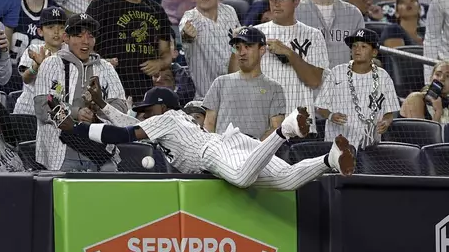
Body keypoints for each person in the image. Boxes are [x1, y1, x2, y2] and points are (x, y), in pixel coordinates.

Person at [49, 76, 355, 190]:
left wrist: (76, 127)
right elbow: (124, 122)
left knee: (241, 179)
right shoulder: (165, 122)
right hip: (234, 144)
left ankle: (285, 130)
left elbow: (122, 135)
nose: (142, 113)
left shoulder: (167, 118)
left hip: (212, 152)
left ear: (163, 106)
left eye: (147, 109)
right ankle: (328, 159)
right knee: (288, 180)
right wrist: (101, 104)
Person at [33, 13, 127, 171]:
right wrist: (76, 113)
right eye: (78, 35)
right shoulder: (51, 64)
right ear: (66, 38)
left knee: (111, 180)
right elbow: (42, 106)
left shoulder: (106, 67)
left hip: (99, 151)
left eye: (90, 36)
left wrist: (99, 107)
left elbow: (122, 106)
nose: (85, 41)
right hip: (61, 152)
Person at [252, 0, 329, 135]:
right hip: (263, 124)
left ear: (296, 1)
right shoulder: (255, 33)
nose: (276, 3)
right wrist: (236, 48)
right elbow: (236, 75)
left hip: (300, 124)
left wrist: (289, 53)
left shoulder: (313, 35)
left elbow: (314, 81)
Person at [85, 0, 173, 102]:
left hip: (144, 94)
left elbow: (166, 54)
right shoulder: (101, 4)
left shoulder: (157, 10)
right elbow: (83, 43)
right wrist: (101, 63)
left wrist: (159, 63)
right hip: (107, 89)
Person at [315, 28, 399, 150]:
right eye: (354, 46)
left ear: (374, 52)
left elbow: (389, 112)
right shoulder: (337, 72)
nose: (357, 49)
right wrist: (331, 115)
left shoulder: (384, 77)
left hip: (370, 146)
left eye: (363, 46)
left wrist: (386, 122)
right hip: (337, 144)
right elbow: (320, 107)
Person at [203, 27, 286, 141]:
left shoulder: (274, 88)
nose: (242, 52)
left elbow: (276, 128)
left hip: (256, 154)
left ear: (262, 49)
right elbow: (208, 124)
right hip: (222, 153)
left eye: (248, 47)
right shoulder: (220, 82)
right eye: (238, 48)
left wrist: (254, 149)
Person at [179, 0, 241, 100]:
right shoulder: (190, 17)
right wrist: (187, 34)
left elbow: (238, 44)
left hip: (235, 92)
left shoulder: (229, 12)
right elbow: (185, 34)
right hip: (206, 99)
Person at [296, 0, 364, 68]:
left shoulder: (353, 14)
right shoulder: (294, 11)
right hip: (306, 82)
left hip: (343, 81)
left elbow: (361, 55)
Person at [13, 6, 67, 115]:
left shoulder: (69, 54)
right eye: (51, 27)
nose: (56, 32)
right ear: (40, 31)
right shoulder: (34, 49)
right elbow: (26, 79)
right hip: (27, 111)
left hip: (54, 113)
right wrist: (36, 66)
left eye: (61, 27)